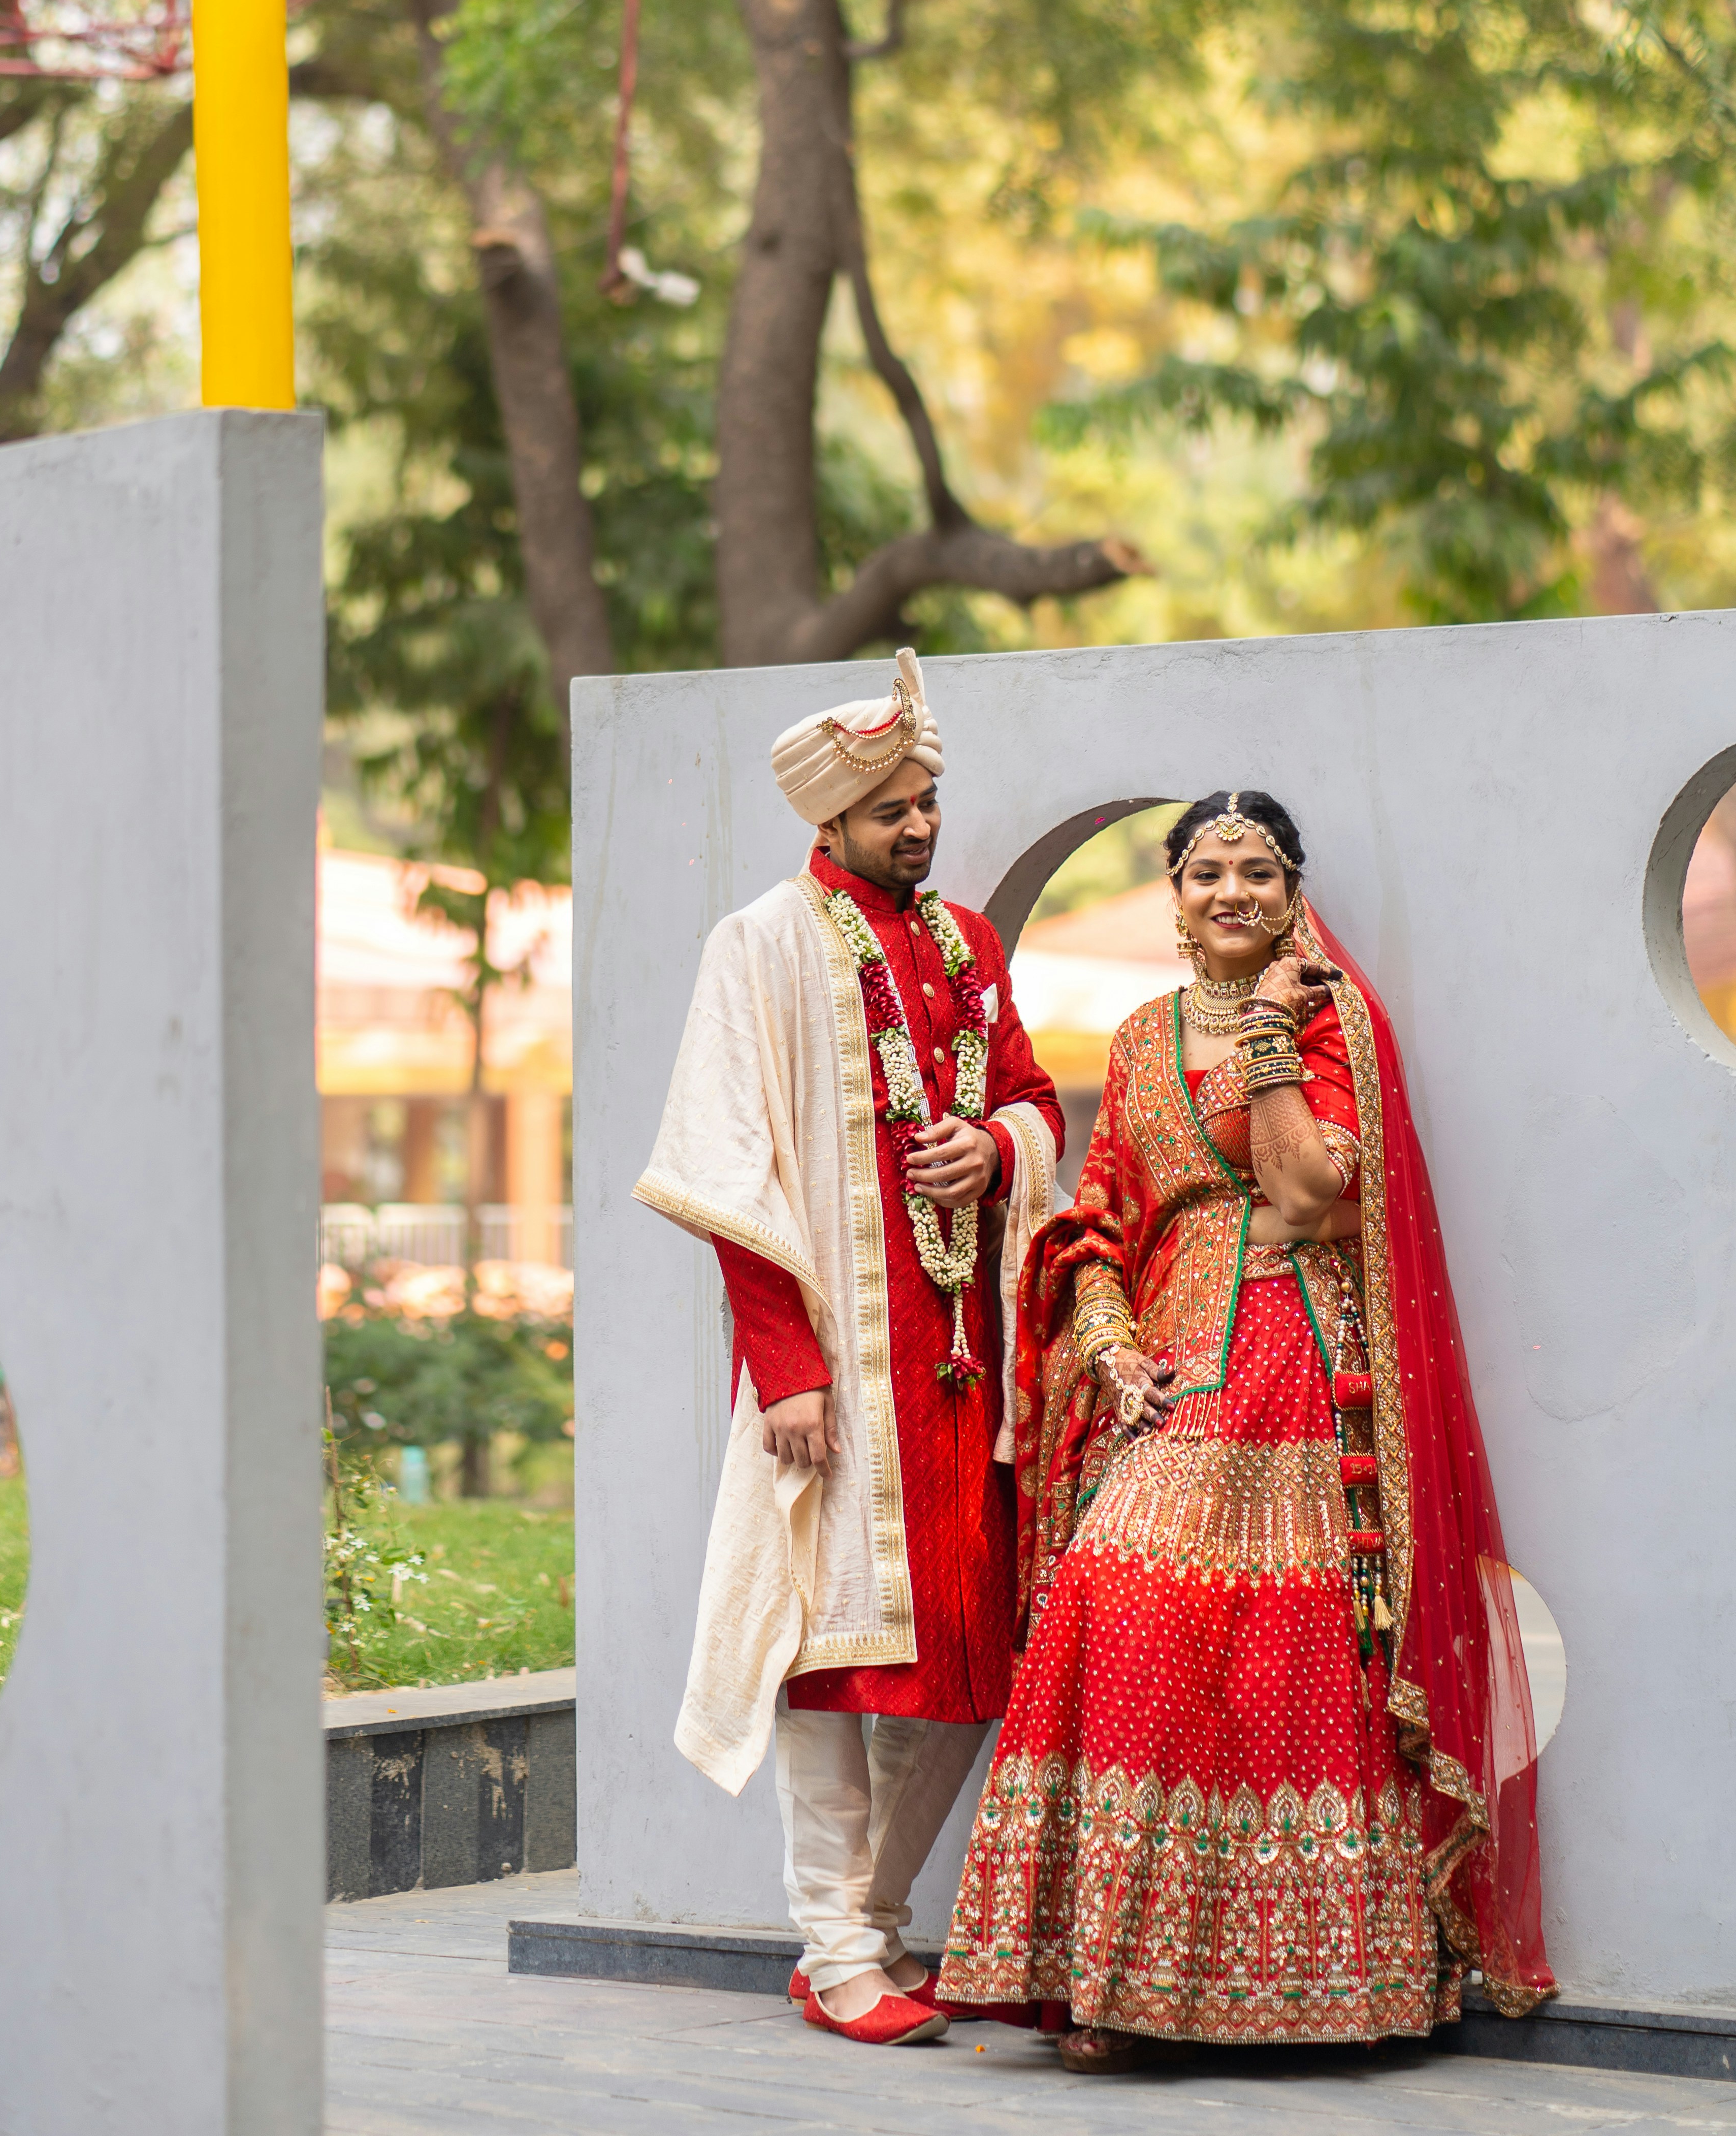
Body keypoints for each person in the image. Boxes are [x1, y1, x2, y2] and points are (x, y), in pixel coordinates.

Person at [939, 789, 1556, 2065]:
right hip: (1170, 1368)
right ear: (1171, 895)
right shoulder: (1137, 1036)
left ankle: (1322, 1986)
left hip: (1301, 1360)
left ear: (1292, 898)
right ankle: (1107, 1980)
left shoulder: (1335, 1026)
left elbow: (1310, 1188)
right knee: (1118, 1611)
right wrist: (1107, 1349)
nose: (1232, 892)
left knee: (1292, 1646)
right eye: (1207, 870)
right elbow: (1098, 1213)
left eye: (1260, 873)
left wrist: (1273, 1027)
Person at [635, 649, 1064, 2047]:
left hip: (964, 1369)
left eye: (929, 803)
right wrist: (791, 1372)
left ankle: (855, 1943)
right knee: (832, 1653)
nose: (922, 829)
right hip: (839, 1375)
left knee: (957, 1655)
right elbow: (726, 1168)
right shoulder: (756, 945)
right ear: (828, 823)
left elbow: (1034, 1096)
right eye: (893, 810)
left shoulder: (966, 948)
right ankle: (839, 1948)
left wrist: (993, 1148)